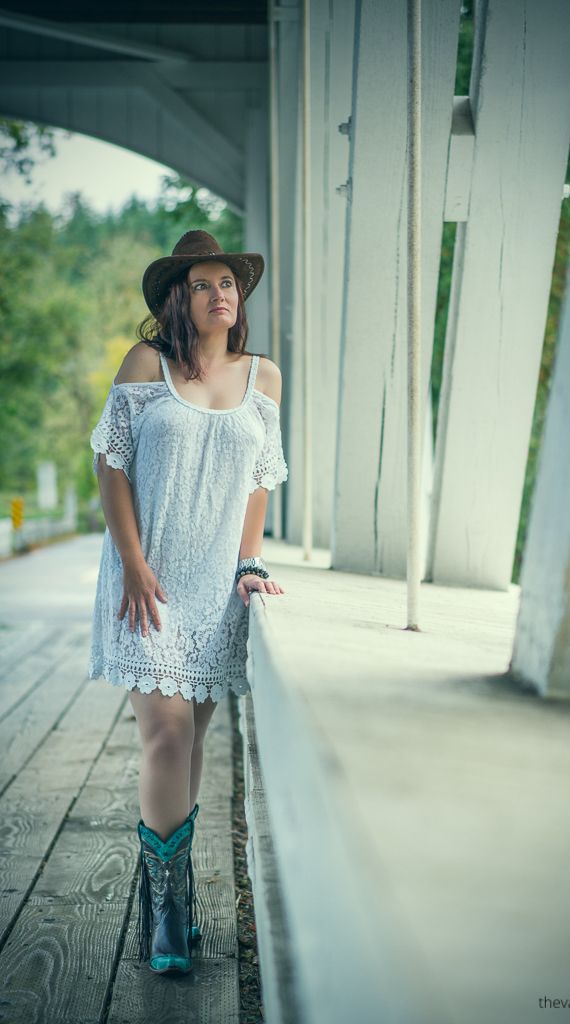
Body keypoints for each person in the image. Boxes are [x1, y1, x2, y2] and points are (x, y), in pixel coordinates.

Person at [88, 231, 287, 975]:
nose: (220, 294)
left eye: (229, 282)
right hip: (148, 581)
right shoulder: (148, 365)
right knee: (168, 737)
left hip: (215, 584)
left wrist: (250, 563)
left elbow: (260, 477)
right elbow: (112, 464)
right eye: (203, 284)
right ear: (180, 296)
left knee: (193, 741)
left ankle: (172, 905)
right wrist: (133, 562)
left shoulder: (263, 375)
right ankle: (169, 917)